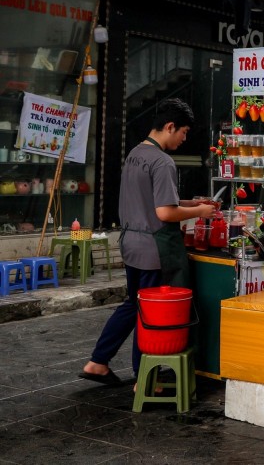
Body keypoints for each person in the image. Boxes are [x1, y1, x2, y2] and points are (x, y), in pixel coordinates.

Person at [79, 98, 217, 386]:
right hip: (155, 249)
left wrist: (190, 202)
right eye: (184, 132)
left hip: (131, 245)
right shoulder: (163, 161)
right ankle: (145, 376)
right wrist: (201, 211)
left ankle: (98, 361)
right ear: (170, 126)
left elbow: (152, 200)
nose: (184, 138)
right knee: (150, 313)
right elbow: (165, 212)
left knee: (134, 305)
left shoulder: (134, 154)